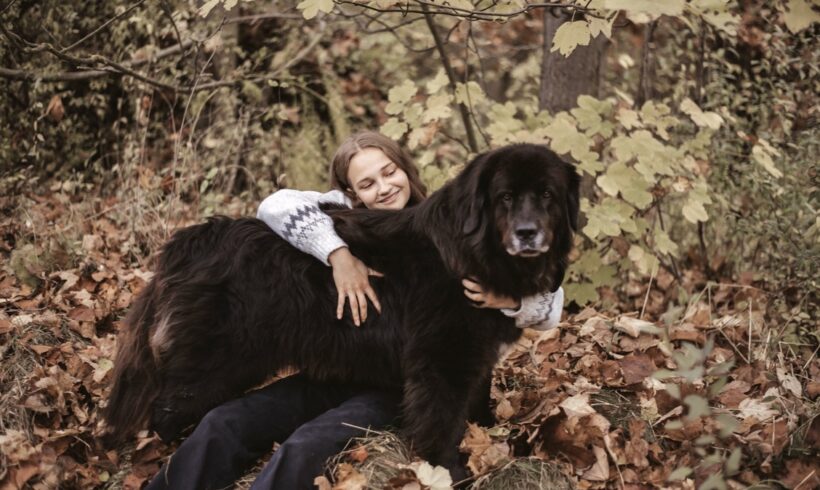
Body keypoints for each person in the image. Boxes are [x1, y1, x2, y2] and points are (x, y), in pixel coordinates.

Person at [146, 131, 564, 490]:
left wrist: (510, 301)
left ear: (405, 169)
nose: (383, 187)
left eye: (389, 172)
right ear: (351, 194)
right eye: (367, 183)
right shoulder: (343, 220)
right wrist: (337, 253)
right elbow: (275, 205)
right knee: (225, 422)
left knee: (304, 448)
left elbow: (547, 300)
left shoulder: (456, 225)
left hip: (398, 389)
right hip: (335, 371)